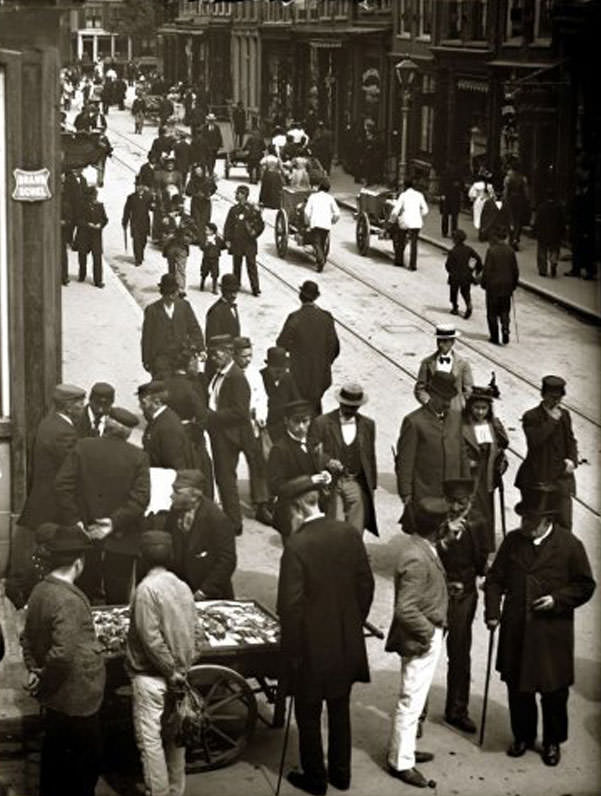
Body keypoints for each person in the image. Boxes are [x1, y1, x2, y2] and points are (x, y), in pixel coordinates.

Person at [484, 488, 595, 766]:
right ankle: (522, 736)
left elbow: (585, 585)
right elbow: (495, 578)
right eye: (523, 520)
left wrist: (557, 599)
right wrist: (493, 612)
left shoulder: (570, 545)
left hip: (550, 632)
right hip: (517, 628)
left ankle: (552, 741)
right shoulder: (513, 541)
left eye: (531, 523)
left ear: (547, 522)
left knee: (553, 690)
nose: (525, 527)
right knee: (518, 687)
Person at [277, 478, 374, 795]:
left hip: (310, 647)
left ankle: (316, 778)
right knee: (339, 708)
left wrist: (291, 652)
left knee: (307, 713)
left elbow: (289, 608)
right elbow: (366, 585)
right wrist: (351, 621)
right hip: (345, 640)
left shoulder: (297, 545)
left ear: (297, 506)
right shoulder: (347, 532)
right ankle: (342, 775)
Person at [21, 525, 106, 796]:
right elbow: (63, 654)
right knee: (83, 765)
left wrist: (34, 669)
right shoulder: (68, 600)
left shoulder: (40, 590)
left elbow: (28, 638)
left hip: (56, 698)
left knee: (55, 758)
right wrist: (45, 676)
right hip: (77, 698)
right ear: (79, 563)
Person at [126, 531, 199, 796]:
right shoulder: (181, 586)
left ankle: (158, 793)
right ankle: (175, 791)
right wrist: (183, 666)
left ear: (143, 558)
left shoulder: (146, 590)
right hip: (179, 675)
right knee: (176, 738)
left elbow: (151, 639)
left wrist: (170, 671)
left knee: (150, 741)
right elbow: (196, 631)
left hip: (152, 679)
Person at [385, 497, 449, 788]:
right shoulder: (416, 557)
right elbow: (405, 608)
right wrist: (427, 633)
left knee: (415, 697)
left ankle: (406, 749)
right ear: (438, 528)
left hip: (424, 632)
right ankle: (401, 762)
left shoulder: (420, 547)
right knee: (411, 701)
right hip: (420, 637)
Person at [56, 407, 150, 604]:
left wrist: (76, 521)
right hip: (122, 538)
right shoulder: (138, 457)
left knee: (83, 595)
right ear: (129, 432)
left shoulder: (82, 447)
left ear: (106, 425)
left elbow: (62, 486)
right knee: (118, 599)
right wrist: (114, 522)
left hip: (84, 534)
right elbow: (141, 499)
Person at [437, 479, 488, 733]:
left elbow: (481, 561)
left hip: (464, 595)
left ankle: (457, 709)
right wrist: (446, 537)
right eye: (453, 502)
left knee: (459, 653)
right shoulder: (436, 522)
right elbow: (428, 552)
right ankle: (417, 716)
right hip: (436, 593)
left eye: (462, 502)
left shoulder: (478, 524)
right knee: (425, 652)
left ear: (470, 502)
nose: (457, 507)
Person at [395, 372, 468, 534]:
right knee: (426, 536)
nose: (448, 404)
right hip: (426, 494)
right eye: (444, 399)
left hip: (452, 495)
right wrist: (406, 494)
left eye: (450, 399)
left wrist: (465, 486)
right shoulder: (414, 421)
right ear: (432, 395)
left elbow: (462, 453)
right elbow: (405, 462)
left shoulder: (455, 419)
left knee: (451, 539)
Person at [309, 382, 378, 537]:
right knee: (335, 527)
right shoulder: (322, 423)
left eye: (355, 407)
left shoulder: (368, 425)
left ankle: (354, 557)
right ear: (340, 402)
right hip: (332, 485)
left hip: (356, 482)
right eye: (347, 406)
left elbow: (370, 456)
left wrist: (371, 486)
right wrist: (327, 461)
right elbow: (311, 450)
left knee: (356, 528)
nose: (350, 410)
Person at [18, 384, 85, 532]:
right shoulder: (64, 432)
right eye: (80, 404)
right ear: (68, 407)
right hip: (54, 507)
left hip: (41, 502)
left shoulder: (48, 423)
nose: (83, 408)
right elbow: (72, 469)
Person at [515, 375, 577, 531]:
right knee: (534, 523)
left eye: (559, 398)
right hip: (536, 478)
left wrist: (572, 460)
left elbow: (571, 440)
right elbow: (535, 441)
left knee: (564, 523)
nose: (555, 401)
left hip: (561, 478)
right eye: (552, 397)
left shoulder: (565, 415)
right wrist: (551, 421)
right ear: (543, 395)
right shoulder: (531, 416)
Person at [206, 335, 253, 536]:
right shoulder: (220, 374)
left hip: (228, 436)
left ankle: (234, 523)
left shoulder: (236, 378)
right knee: (222, 477)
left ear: (227, 353)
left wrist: (212, 417)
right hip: (219, 433)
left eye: (216, 354)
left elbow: (241, 412)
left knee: (226, 478)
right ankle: (230, 518)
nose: (213, 358)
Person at [164, 471, 236, 599]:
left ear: (194, 496)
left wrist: (205, 591)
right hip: (181, 588)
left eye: (178, 493)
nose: (171, 496)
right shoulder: (175, 510)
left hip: (207, 592)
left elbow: (227, 560)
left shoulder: (217, 519)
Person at [268, 400, 331, 541]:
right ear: (286, 421)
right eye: (296, 422)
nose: (301, 427)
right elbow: (276, 487)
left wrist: (325, 475)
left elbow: (317, 467)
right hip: (292, 513)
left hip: (314, 511)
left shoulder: (311, 444)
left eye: (305, 421)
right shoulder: (279, 449)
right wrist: (310, 481)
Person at [276, 280, 340, 416]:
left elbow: (281, 344)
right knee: (316, 410)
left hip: (298, 376)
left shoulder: (295, 318)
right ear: (316, 297)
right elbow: (335, 348)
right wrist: (323, 363)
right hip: (321, 377)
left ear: (301, 296)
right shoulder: (326, 318)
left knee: (298, 412)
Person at [462, 382, 509, 552]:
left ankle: (483, 554)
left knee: (485, 520)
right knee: (469, 519)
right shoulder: (462, 426)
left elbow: (502, 447)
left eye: (484, 408)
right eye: (476, 408)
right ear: (470, 407)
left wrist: (500, 464)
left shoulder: (492, 426)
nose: (480, 412)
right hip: (468, 483)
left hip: (487, 482)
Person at [233, 336, 272, 526]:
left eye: (250, 355)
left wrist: (261, 414)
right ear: (234, 355)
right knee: (228, 467)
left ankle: (261, 504)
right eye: (243, 356)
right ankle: (230, 504)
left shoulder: (255, 373)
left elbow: (262, 398)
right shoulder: (227, 374)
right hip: (232, 428)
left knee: (258, 465)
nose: (248, 360)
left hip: (252, 426)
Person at [141, 273, 204, 377]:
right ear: (162, 293)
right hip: (161, 359)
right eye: (168, 293)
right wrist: (146, 360)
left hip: (182, 357)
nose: (171, 296)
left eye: (173, 293)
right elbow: (147, 337)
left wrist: (201, 348)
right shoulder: (152, 310)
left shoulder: (184, 306)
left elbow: (194, 328)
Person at [139, 380, 197, 470]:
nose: (140, 407)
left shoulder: (167, 426)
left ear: (157, 403)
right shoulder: (160, 420)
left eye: (143, 403)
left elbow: (174, 463)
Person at [415, 324, 473, 412]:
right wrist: (428, 402)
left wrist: (460, 406)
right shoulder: (427, 362)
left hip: (455, 411)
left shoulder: (463, 364)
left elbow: (468, 390)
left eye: (445, 341)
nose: (441, 344)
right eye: (439, 341)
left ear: (453, 342)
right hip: (432, 410)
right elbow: (420, 388)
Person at [223, 184, 265, 297]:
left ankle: (255, 288)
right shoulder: (233, 210)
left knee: (251, 265)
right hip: (237, 242)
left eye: (238, 193)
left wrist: (255, 233)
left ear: (243, 195)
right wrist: (227, 239)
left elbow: (260, 225)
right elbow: (228, 226)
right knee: (236, 265)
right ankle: (235, 285)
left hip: (249, 243)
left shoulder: (252, 210)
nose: (236, 195)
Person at [480, 226, 519, 345]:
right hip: (506, 286)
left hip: (493, 286)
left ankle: (494, 336)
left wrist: (484, 283)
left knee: (492, 312)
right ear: (506, 237)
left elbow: (487, 270)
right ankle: (505, 328)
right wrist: (513, 285)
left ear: (496, 237)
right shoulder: (510, 251)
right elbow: (515, 270)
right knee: (504, 310)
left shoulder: (491, 251)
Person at [261, 346, 301, 444]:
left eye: (282, 370)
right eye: (276, 371)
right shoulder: (260, 377)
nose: (279, 374)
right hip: (265, 426)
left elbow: (296, 401)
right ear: (269, 367)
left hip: (283, 426)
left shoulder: (288, 378)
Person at [160, 195, 198, 294]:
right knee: (171, 268)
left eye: (181, 204)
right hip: (170, 246)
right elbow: (161, 232)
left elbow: (195, 233)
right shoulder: (166, 218)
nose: (179, 206)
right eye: (177, 204)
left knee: (181, 269)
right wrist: (167, 236)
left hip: (182, 247)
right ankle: (171, 287)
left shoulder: (188, 218)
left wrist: (188, 238)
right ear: (172, 205)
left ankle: (181, 289)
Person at [389, 179, 429, 271]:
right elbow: (425, 210)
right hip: (416, 222)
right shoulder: (419, 195)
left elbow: (396, 210)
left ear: (405, 186)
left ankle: (399, 261)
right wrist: (419, 215)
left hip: (405, 221)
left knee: (401, 240)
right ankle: (413, 265)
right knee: (414, 244)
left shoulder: (403, 195)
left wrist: (391, 220)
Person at [444, 229, 482, 318]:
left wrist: (451, 272)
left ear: (455, 240)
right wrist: (475, 270)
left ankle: (455, 308)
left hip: (455, 276)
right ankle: (469, 305)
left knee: (454, 292)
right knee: (465, 292)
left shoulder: (453, 251)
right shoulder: (469, 249)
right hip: (466, 275)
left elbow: (448, 265)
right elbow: (478, 259)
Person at [303, 178, 339, 271]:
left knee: (316, 243)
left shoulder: (313, 197)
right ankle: (321, 259)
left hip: (316, 224)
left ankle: (320, 260)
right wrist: (333, 221)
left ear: (319, 187)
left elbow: (306, 211)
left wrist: (307, 222)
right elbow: (337, 214)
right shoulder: (330, 198)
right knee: (322, 243)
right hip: (326, 225)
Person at [75, 186, 108, 288]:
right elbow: (78, 220)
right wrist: (88, 224)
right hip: (84, 235)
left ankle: (98, 280)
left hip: (96, 236)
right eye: (93, 196)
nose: (95, 198)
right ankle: (82, 275)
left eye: (95, 195)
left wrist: (100, 225)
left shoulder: (100, 206)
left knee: (97, 258)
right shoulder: (81, 206)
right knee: (82, 256)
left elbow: (105, 219)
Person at [205, 273, 241, 354]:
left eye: (235, 292)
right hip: (221, 357)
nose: (234, 295)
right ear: (223, 291)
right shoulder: (216, 311)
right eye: (230, 292)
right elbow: (212, 341)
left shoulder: (232, 307)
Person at [122, 178, 154, 266]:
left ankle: (141, 253)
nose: (139, 187)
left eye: (141, 186)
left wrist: (154, 205)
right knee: (136, 240)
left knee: (143, 240)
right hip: (135, 222)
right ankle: (138, 258)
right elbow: (127, 210)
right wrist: (125, 221)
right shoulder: (131, 197)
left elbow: (152, 208)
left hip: (145, 222)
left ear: (144, 187)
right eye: (137, 186)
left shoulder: (149, 196)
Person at [534, 191, 565, 278]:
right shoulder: (558, 208)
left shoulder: (541, 207)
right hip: (555, 234)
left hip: (543, 233)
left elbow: (537, 221)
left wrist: (535, 230)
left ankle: (543, 270)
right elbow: (562, 222)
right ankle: (553, 263)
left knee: (542, 251)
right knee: (554, 250)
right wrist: (562, 232)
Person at [185, 162, 216, 248]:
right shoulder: (192, 181)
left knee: (205, 220)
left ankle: (203, 238)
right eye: (196, 171)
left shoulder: (207, 180)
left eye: (200, 171)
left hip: (205, 203)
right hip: (196, 202)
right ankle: (197, 237)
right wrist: (195, 193)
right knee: (196, 219)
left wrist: (208, 194)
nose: (199, 173)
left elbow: (213, 188)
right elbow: (187, 191)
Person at [503, 162, 529, 250]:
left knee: (510, 219)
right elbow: (526, 192)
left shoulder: (508, 178)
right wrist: (526, 201)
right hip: (519, 201)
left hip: (510, 200)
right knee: (518, 221)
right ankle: (515, 238)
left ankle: (510, 237)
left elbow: (505, 192)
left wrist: (504, 200)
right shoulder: (523, 179)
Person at [468, 169, 494, 239]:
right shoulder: (489, 185)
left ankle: (481, 233)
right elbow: (492, 196)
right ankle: (485, 233)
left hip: (479, 202)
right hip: (488, 202)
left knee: (480, 219)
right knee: (487, 219)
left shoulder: (476, 185)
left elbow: (471, 195)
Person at [259, 144, 285, 209]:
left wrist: (261, 177)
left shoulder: (266, 158)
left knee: (266, 188)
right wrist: (283, 175)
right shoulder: (277, 159)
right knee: (275, 189)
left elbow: (263, 168)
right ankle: (274, 203)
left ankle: (266, 202)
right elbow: (281, 168)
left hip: (268, 174)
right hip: (276, 175)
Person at [439, 167, 463, 238]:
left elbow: (442, 185)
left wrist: (442, 194)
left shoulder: (444, 173)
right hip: (455, 198)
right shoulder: (458, 175)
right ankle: (454, 232)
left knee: (445, 215)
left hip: (446, 197)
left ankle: (444, 232)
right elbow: (461, 186)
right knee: (454, 217)